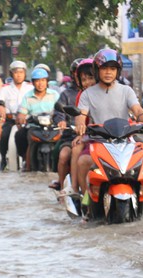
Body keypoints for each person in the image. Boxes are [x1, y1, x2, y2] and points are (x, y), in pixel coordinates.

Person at [71, 48, 143, 197]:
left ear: (118, 71)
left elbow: (137, 110)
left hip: (125, 138)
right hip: (98, 140)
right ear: (97, 70)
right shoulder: (87, 94)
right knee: (83, 161)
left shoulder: (126, 90)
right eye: (104, 68)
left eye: (112, 68)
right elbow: (81, 114)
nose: (108, 72)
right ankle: (86, 200)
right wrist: (80, 124)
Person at [15, 67, 64, 171]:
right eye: (37, 81)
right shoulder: (27, 96)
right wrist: (21, 117)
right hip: (34, 126)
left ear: (47, 82)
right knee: (24, 138)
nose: (40, 83)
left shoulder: (55, 95)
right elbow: (22, 112)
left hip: (52, 126)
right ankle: (27, 167)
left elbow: (61, 110)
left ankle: (61, 166)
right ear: (33, 83)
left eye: (43, 80)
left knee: (62, 141)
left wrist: (62, 121)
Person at [51, 58, 87, 190]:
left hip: (96, 136)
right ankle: (63, 186)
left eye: (89, 76)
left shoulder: (98, 93)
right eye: (81, 75)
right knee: (63, 155)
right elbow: (59, 112)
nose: (84, 79)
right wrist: (61, 121)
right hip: (71, 136)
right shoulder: (66, 94)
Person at [0, 60, 34, 171]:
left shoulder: (30, 88)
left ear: (25, 73)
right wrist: (2, 110)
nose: (18, 75)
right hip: (10, 120)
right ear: (11, 74)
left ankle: (28, 159)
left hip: (27, 121)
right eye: (16, 72)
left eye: (21, 72)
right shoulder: (5, 88)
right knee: (3, 136)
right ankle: (3, 159)